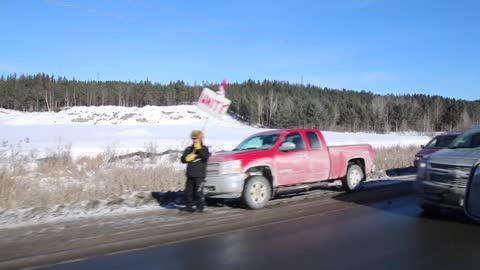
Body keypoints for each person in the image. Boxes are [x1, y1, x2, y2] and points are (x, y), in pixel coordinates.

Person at [180, 130, 210, 213]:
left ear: (200, 138)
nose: (194, 140)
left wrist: (199, 148)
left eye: (196, 138)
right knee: (188, 192)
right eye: (193, 138)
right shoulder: (189, 149)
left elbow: (205, 156)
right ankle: (189, 206)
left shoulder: (204, 149)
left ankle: (200, 207)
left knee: (199, 192)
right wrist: (186, 158)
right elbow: (182, 159)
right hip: (190, 175)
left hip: (199, 175)